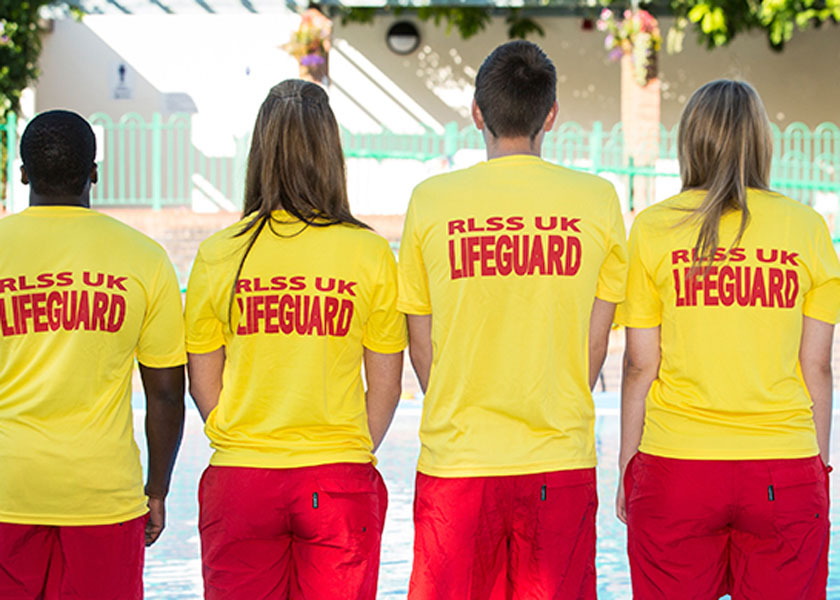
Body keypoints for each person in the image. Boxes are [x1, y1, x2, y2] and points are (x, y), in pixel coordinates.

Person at [398, 41, 628, 599]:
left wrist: (456, 398)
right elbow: (595, 346)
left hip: (458, 461)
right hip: (559, 456)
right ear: (550, 115)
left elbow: (420, 343)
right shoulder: (597, 200)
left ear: (477, 112)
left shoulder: (430, 201)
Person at [616, 79, 840, 599]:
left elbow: (639, 365)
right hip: (782, 467)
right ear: (762, 143)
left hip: (676, 467)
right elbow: (818, 368)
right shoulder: (807, 228)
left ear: (689, 141)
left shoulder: (653, 228)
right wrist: (818, 466)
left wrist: (630, 463)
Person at [185, 79, 406, 600]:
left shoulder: (219, 254)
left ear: (259, 151)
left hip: (242, 479)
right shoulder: (368, 254)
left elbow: (203, 385)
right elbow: (387, 388)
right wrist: (345, 449)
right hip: (336, 482)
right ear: (332, 151)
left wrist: (242, 436)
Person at [0, 110, 186, 599]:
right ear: (95, 173)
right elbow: (167, 396)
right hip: (102, 496)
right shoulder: (144, 258)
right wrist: (157, 490)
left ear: (22, 174)